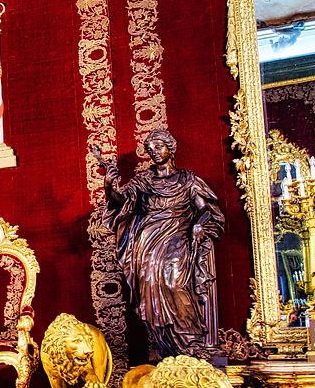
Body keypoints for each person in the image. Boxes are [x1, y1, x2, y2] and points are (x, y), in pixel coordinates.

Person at [92, 129, 225, 357]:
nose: (154, 152)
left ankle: (191, 340)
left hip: (178, 236)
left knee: (174, 283)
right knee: (148, 283)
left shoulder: (187, 179)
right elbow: (122, 202)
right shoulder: (144, 180)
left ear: (170, 148)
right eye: (150, 149)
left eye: (159, 146)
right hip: (147, 241)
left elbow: (205, 209)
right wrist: (108, 186)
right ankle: (168, 346)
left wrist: (199, 223)